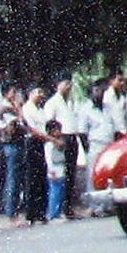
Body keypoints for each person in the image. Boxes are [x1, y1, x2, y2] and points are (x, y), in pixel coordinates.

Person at [44, 72, 81, 218]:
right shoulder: (53, 103)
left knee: (71, 173)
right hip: (61, 138)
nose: (68, 86)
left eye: (70, 83)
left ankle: (68, 207)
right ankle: (57, 209)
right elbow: (49, 123)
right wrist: (55, 138)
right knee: (61, 175)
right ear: (58, 85)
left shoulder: (71, 101)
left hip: (72, 137)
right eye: (65, 83)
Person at [79, 78, 115, 216]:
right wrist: (87, 149)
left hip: (108, 145)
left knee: (107, 175)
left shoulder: (108, 108)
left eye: (101, 91)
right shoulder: (85, 109)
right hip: (95, 145)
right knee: (93, 176)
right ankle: (95, 207)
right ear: (90, 93)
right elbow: (82, 132)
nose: (99, 93)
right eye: (96, 91)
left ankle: (108, 205)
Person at [21, 84, 54, 225]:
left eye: (42, 92)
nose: (41, 95)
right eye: (38, 92)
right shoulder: (27, 108)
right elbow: (32, 129)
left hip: (41, 143)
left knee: (41, 177)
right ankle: (31, 214)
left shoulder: (41, 110)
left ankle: (41, 212)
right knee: (31, 178)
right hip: (32, 142)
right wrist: (52, 139)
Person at [0, 83, 27, 225]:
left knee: (17, 179)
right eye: (13, 92)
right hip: (12, 144)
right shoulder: (6, 109)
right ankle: (11, 213)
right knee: (12, 179)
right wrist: (18, 110)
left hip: (18, 144)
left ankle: (14, 210)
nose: (16, 95)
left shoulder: (12, 108)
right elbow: (12, 128)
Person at [45, 119, 67, 221]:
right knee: (54, 192)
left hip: (60, 168)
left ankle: (58, 212)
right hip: (54, 170)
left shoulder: (60, 143)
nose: (59, 132)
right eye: (56, 130)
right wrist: (50, 170)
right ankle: (53, 214)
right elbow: (48, 158)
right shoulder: (49, 144)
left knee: (60, 192)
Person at [102, 67, 127, 139]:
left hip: (123, 132)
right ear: (111, 81)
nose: (122, 83)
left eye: (123, 80)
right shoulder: (106, 96)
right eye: (119, 80)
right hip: (113, 133)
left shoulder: (122, 97)